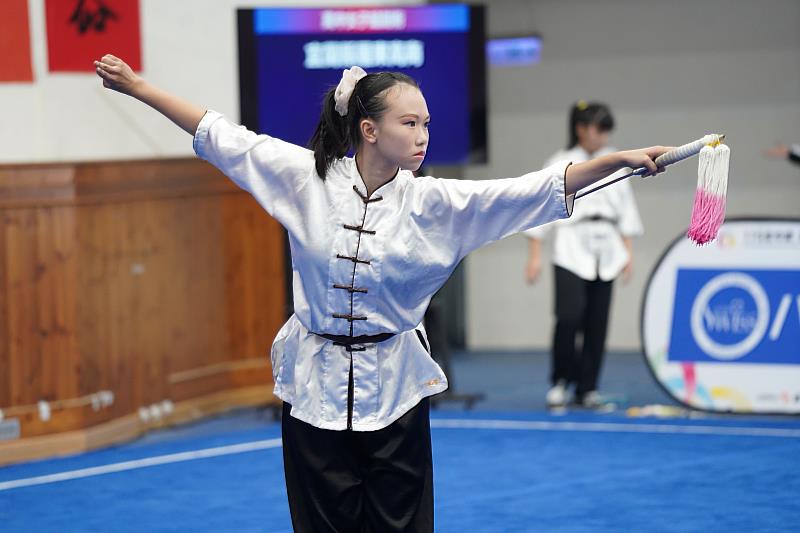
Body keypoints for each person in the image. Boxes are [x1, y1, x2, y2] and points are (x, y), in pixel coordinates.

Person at [94, 55, 668, 532]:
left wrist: (615, 163)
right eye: (409, 123)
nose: (423, 136)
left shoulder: (437, 203)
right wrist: (139, 87)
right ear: (369, 130)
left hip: (396, 389)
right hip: (312, 389)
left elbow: (528, 191)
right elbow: (222, 136)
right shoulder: (304, 177)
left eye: (426, 124)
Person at [524, 101, 643, 410]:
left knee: (597, 322)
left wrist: (628, 252)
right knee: (568, 317)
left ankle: (588, 387)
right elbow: (542, 208)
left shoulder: (617, 160)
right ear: (580, 128)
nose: (603, 136)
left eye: (606, 130)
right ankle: (560, 381)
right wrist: (535, 255)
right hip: (570, 247)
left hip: (608, 247)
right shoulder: (560, 162)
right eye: (597, 128)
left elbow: (626, 210)